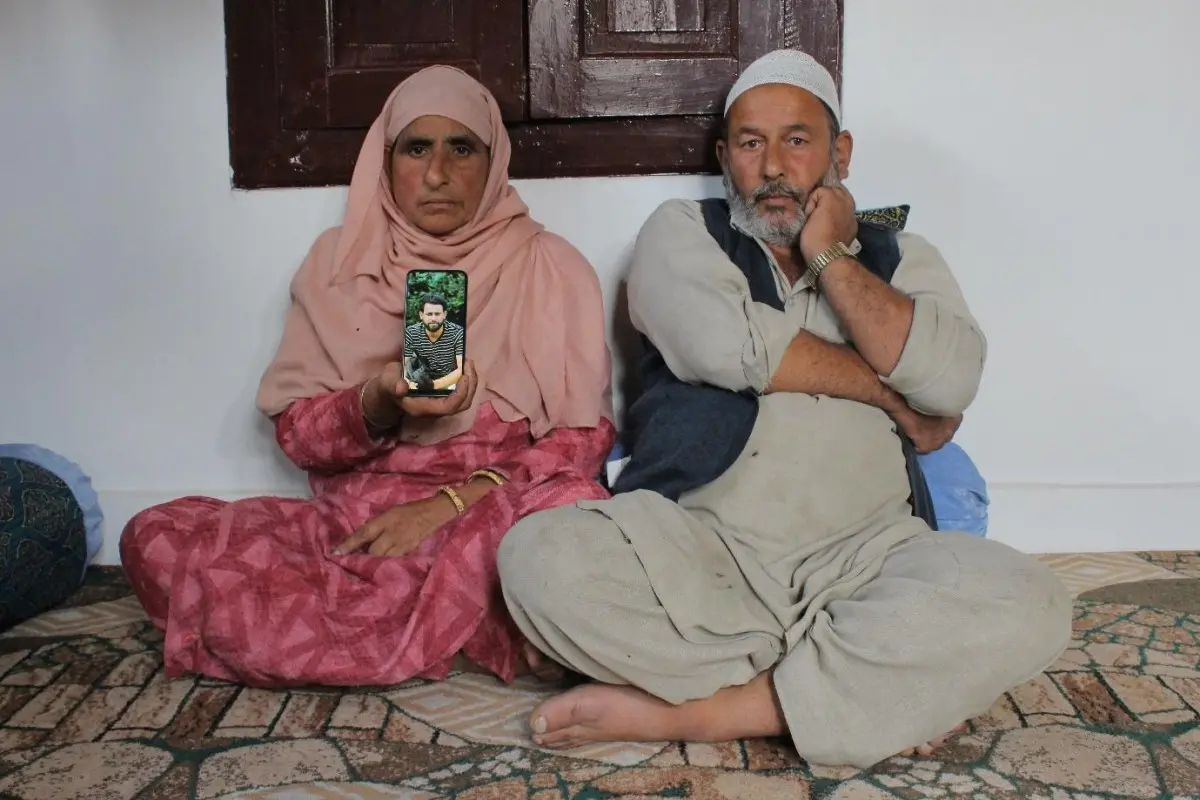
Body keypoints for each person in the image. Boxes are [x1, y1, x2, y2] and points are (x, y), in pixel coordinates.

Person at [497, 49, 1071, 768]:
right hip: (701, 554)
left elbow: (952, 379)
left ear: (841, 153)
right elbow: (720, 344)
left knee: (1032, 599)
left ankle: (714, 711)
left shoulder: (902, 255)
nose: (772, 166)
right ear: (724, 156)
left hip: (869, 558)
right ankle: (860, 690)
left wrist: (831, 257)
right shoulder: (685, 230)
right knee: (537, 558)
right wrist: (892, 390)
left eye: (797, 140)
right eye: (749, 143)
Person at [120, 65, 615, 688]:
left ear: (493, 163)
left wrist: (446, 504)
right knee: (155, 536)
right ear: (385, 163)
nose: (437, 174)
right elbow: (300, 439)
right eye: (416, 148)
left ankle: (420, 620)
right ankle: (472, 625)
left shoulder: (552, 266)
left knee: (578, 511)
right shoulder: (340, 263)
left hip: (488, 516)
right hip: (355, 532)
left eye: (461, 148)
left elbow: (581, 445)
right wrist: (376, 401)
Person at [404, 293, 464, 391]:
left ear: (444, 314)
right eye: (429, 314)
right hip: (419, 380)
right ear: (421, 315)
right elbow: (403, 365)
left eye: (437, 314)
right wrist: (409, 384)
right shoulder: (411, 333)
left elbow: (462, 369)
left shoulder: (457, 333)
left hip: (450, 381)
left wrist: (433, 385)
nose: (433, 319)